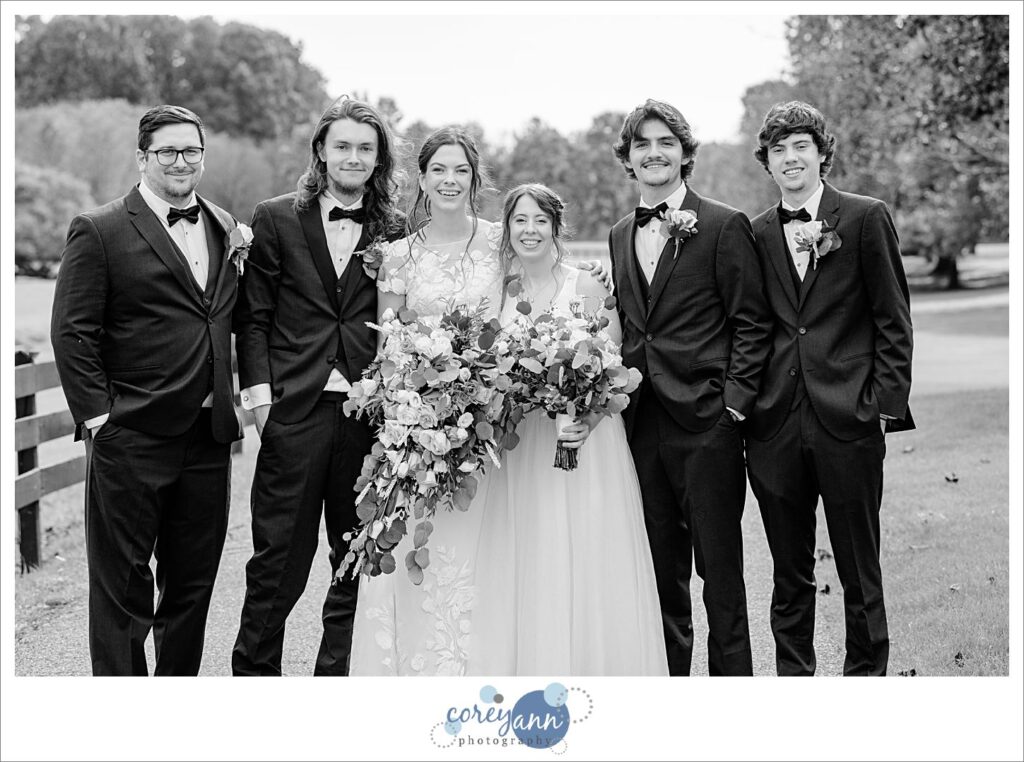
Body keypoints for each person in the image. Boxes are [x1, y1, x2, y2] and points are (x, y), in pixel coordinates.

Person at [50, 104, 243, 675]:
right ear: (142, 158)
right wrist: (98, 420)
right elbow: (72, 332)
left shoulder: (227, 227)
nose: (181, 161)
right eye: (167, 152)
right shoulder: (101, 228)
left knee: (192, 587)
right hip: (130, 437)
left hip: (208, 439)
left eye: (191, 151)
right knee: (121, 592)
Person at [231, 98, 406, 676]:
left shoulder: (397, 228)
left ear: (378, 159)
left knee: (356, 558)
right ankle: (256, 683)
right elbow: (253, 317)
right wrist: (260, 405)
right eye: (343, 146)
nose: (353, 157)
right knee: (276, 562)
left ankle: (336, 684)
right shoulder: (276, 217)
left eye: (365, 148)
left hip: (370, 419)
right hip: (294, 411)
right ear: (321, 152)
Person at [746, 101, 914, 676]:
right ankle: (795, 679)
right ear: (767, 162)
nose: (790, 158)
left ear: (821, 153)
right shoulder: (757, 232)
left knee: (858, 567)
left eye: (800, 146)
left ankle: (864, 680)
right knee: (787, 571)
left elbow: (893, 318)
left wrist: (882, 409)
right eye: (778, 150)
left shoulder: (866, 217)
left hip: (850, 421)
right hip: (774, 429)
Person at [607, 99, 773, 676]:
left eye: (665, 143)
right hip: (641, 425)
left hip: (708, 425)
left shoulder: (725, 225)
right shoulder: (619, 232)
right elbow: (634, 327)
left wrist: (732, 407)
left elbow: (751, 322)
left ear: (684, 154)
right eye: (642, 144)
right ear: (628, 157)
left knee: (721, 576)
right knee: (659, 574)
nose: (654, 153)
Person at [491, 183, 668, 675]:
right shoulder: (497, 289)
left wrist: (584, 420)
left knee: (587, 552)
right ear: (506, 228)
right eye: (520, 220)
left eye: (540, 221)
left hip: (585, 444)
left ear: (556, 228)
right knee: (530, 550)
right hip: (523, 444)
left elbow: (614, 372)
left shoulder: (588, 286)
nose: (530, 230)